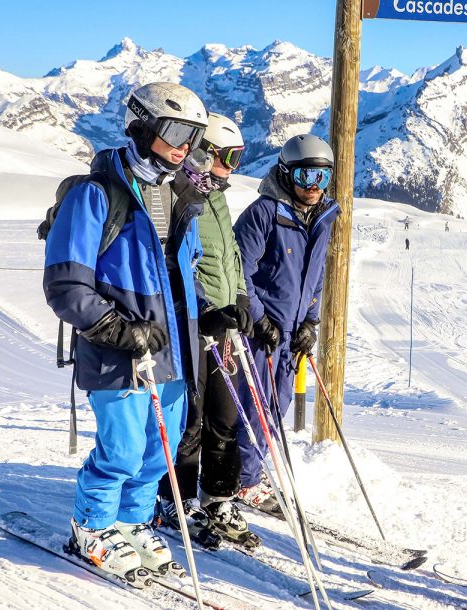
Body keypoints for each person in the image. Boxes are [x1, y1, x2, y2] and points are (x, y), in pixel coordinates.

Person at [43, 82, 215, 580]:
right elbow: (65, 283)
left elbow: (186, 273)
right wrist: (116, 328)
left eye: (195, 137)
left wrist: (208, 314)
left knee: (160, 449)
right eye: (177, 131)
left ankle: (133, 521)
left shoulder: (181, 196)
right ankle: (93, 526)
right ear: (141, 127)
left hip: (173, 350)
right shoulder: (95, 195)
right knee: (119, 449)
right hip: (118, 352)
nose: (186, 147)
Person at [156, 111, 260, 548]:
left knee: (225, 415)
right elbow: (179, 264)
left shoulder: (214, 196)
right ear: (203, 152)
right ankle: (173, 500)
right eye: (228, 157)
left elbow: (228, 257)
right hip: (191, 324)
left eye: (238, 159)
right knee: (191, 419)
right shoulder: (176, 194)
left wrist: (239, 300)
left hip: (222, 324)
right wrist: (202, 311)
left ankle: (217, 496)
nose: (231, 169)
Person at [232, 134, 340, 512]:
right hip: (262, 331)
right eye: (305, 176)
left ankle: (251, 469)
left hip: (291, 332)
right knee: (255, 404)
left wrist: (310, 322)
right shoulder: (264, 213)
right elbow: (237, 270)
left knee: (274, 408)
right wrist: (259, 319)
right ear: (285, 172)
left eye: (321, 178)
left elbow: (316, 276)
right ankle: (243, 479)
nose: (313, 187)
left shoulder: (323, 217)